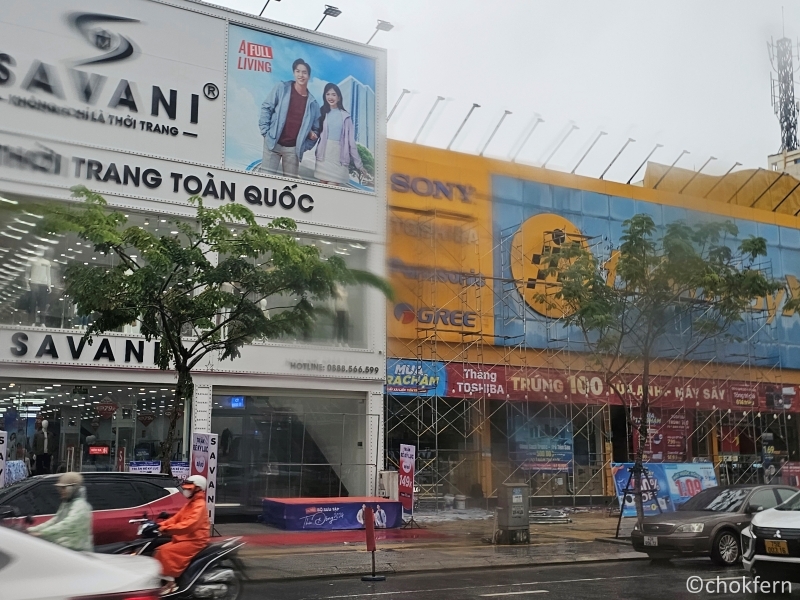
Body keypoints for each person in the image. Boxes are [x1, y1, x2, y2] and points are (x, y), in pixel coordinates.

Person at [259, 58, 320, 178]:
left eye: (304, 72)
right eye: (298, 71)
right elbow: (266, 107)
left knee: (290, 186)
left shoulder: (313, 103)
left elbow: (316, 129)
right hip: (273, 144)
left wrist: (303, 146)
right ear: (294, 73)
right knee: (264, 181)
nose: (301, 75)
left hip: (293, 150)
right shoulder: (281, 88)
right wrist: (265, 132)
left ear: (309, 76)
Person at [154, 475, 210, 593]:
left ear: (198, 489)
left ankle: (171, 584)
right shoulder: (190, 504)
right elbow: (176, 518)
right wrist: (160, 525)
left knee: (165, 552)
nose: (186, 490)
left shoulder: (199, 506)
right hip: (184, 538)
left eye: (189, 489)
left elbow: (189, 525)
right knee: (157, 550)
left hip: (196, 540)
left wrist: (166, 529)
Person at [313, 83, 367, 186]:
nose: (330, 97)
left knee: (333, 189)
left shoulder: (346, 117)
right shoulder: (322, 112)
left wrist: (359, 165)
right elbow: (315, 132)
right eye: (327, 94)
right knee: (321, 186)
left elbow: (351, 143)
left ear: (339, 97)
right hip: (324, 154)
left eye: (333, 94)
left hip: (339, 156)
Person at [28, 472, 93, 552]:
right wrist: (32, 530)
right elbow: (55, 520)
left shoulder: (80, 506)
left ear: (73, 488)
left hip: (78, 552)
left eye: (64, 488)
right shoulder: (66, 503)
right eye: (59, 488)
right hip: (65, 550)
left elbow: (68, 524)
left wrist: (42, 533)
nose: (61, 491)